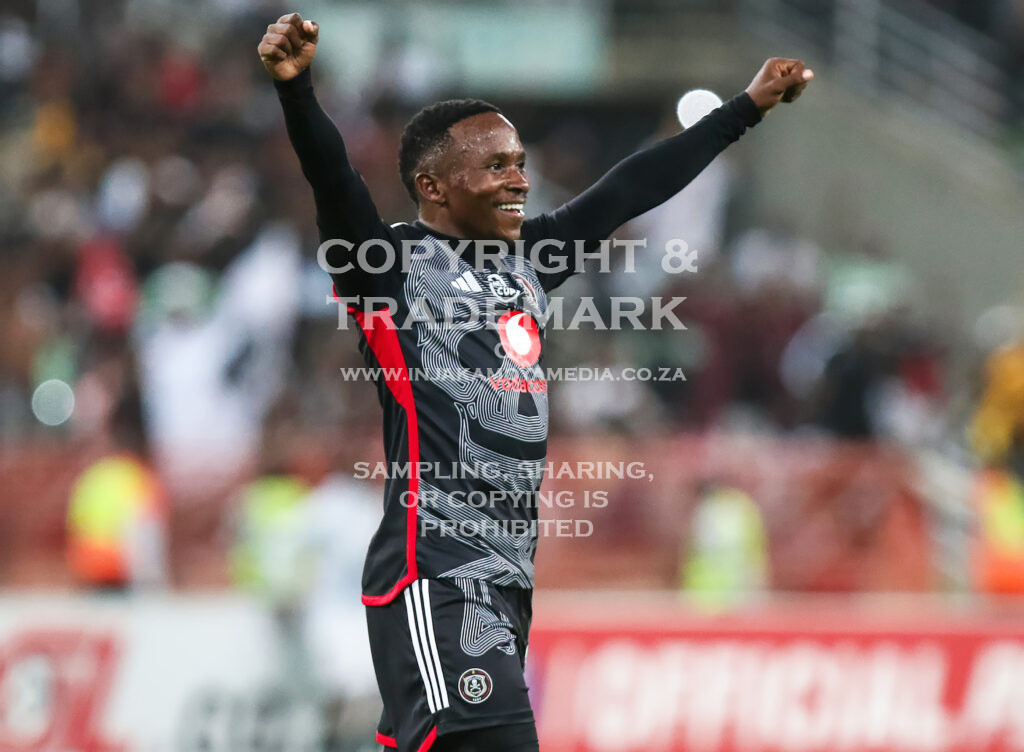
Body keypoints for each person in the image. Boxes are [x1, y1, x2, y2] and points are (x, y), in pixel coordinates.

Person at [258, 12, 812, 752]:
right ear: (432, 185)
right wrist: (297, 91)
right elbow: (333, 179)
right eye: (496, 166)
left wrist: (745, 109)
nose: (519, 179)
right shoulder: (386, 268)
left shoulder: (530, 260)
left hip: (506, 579)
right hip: (436, 574)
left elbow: (628, 190)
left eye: (518, 163)